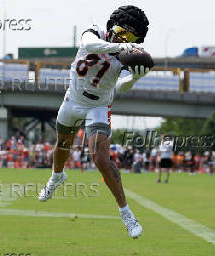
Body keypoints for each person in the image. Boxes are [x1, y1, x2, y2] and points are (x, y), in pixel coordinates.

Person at [38, 5, 150, 239]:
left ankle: (126, 214)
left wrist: (135, 79)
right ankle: (57, 176)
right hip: (72, 99)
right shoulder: (95, 32)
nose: (124, 37)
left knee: (100, 158)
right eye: (121, 30)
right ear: (112, 25)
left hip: (98, 106)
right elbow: (89, 45)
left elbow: (121, 87)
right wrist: (121, 46)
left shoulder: (129, 55)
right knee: (62, 147)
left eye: (130, 36)